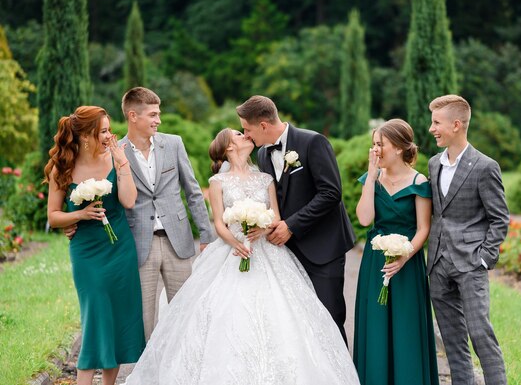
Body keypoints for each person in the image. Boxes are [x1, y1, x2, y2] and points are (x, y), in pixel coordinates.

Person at [123, 128, 360, 384]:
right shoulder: (217, 183)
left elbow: (277, 217)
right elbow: (219, 223)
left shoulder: (265, 178)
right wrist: (236, 242)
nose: (245, 135)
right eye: (238, 134)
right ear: (228, 147)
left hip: (267, 251)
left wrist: (264, 226)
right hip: (232, 252)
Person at [67, 87, 215, 340]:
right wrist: (73, 224)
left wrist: (206, 235)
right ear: (133, 116)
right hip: (137, 244)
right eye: (153, 115)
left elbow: (193, 191)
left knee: (186, 313)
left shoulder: (174, 144)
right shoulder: (113, 151)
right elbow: (101, 196)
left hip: (177, 241)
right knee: (144, 320)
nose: (159, 120)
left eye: (159, 114)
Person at [236, 95, 356, 342]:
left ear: (263, 126)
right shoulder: (262, 155)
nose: (246, 135)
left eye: (247, 129)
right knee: (298, 322)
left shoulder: (313, 142)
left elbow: (331, 192)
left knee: (329, 318)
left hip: (324, 249)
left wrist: (292, 225)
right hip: (287, 253)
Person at [44, 106, 145, 385]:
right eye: (103, 131)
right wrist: (80, 214)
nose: (109, 136)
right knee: (95, 317)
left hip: (119, 248)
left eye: (108, 129)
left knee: (117, 319)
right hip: (86, 252)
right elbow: (53, 217)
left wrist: (122, 162)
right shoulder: (62, 166)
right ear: (86, 136)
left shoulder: (116, 159)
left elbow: (128, 201)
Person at [427, 95, 509, 385]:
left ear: (457, 125)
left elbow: (500, 219)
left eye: (436, 123)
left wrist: (484, 258)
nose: (431, 129)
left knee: (480, 333)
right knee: (452, 340)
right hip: (438, 264)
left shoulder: (485, 166)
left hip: (471, 263)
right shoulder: (434, 164)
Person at [353, 119, 439, 385]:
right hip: (375, 262)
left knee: (406, 328)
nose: (376, 150)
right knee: (375, 328)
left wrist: (404, 256)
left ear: (400, 148)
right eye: (374, 145)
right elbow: (365, 219)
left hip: (407, 263)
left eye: (381, 145)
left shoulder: (418, 181)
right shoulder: (373, 178)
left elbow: (423, 229)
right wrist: (371, 172)